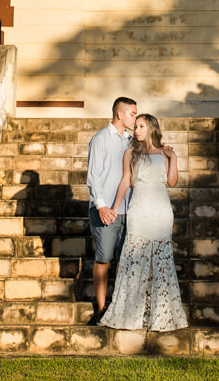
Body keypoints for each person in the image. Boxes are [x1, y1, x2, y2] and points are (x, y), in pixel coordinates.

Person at [98, 113, 187, 331]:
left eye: (141, 126)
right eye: (135, 126)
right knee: (134, 260)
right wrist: (115, 207)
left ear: (151, 129)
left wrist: (173, 158)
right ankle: (130, 315)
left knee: (161, 262)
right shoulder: (131, 152)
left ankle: (160, 316)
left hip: (161, 212)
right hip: (139, 210)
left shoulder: (164, 153)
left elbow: (172, 182)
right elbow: (125, 181)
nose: (136, 130)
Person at [87, 96, 137, 316]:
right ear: (120, 114)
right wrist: (101, 206)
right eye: (132, 114)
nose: (135, 119)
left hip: (128, 210)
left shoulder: (132, 141)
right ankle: (100, 308)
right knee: (104, 258)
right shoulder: (100, 139)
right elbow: (93, 177)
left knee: (124, 261)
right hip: (105, 211)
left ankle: (118, 306)